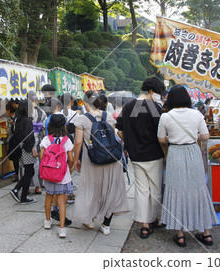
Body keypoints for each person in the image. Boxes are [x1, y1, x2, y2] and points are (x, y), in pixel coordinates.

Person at [157, 85, 218, 247]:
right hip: (193, 152)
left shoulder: (166, 117)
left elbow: (161, 139)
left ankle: (181, 234)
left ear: (170, 99)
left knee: (177, 190)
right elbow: (205, 136)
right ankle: (206, 233)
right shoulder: (197, 114)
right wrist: (192, 135)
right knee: (198, 188)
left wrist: (174, 137)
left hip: (175, 153)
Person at [73, 90, 129, 235]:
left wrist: (75, 160)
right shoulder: (108, 116)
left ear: (85, 103)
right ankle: (106, 224)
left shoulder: (82, 120)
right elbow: (114, 137)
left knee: (91, 189)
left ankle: (89, 220)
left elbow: (78, 142)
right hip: (111, 159)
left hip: (93, 160)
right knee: (109, 190)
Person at [116, 77, 166, 239]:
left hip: (135, 156)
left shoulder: (129, 106)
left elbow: (119, 130)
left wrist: (129, 142)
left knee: (142, 190)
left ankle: (144, 224)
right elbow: (161, 134)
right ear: (151, 91)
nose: (159, 96)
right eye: (158, 93)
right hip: (154, 155)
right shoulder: (154, 107)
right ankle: (151, 220)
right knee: (155, 190)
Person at [40, 114, 74, 238]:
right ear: (64, 125)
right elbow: (70, 158)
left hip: (49, 173)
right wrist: (68, 167)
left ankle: (47, 221)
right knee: (61, 200)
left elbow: (41, 155)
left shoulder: (46, 139)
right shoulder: (67, 140)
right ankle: (62, 228)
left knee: (48, 196)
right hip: (62, 174)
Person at [10, 99, 37, 204]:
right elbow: (29, 137)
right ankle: (17, 190)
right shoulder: (27, 120)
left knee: (29, 172)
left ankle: (22, 196)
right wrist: (32, 149)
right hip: (27, 149)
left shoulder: (17, 120)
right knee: (29, 172)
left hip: (20, 148)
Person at [61, 93, 79, 204]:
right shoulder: (75, 114)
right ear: (71, 102)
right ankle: (69, 191)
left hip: (59, 142)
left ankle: (62, 190)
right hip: (70, 141)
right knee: (69, 165)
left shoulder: (58, 113)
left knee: (62, 165)